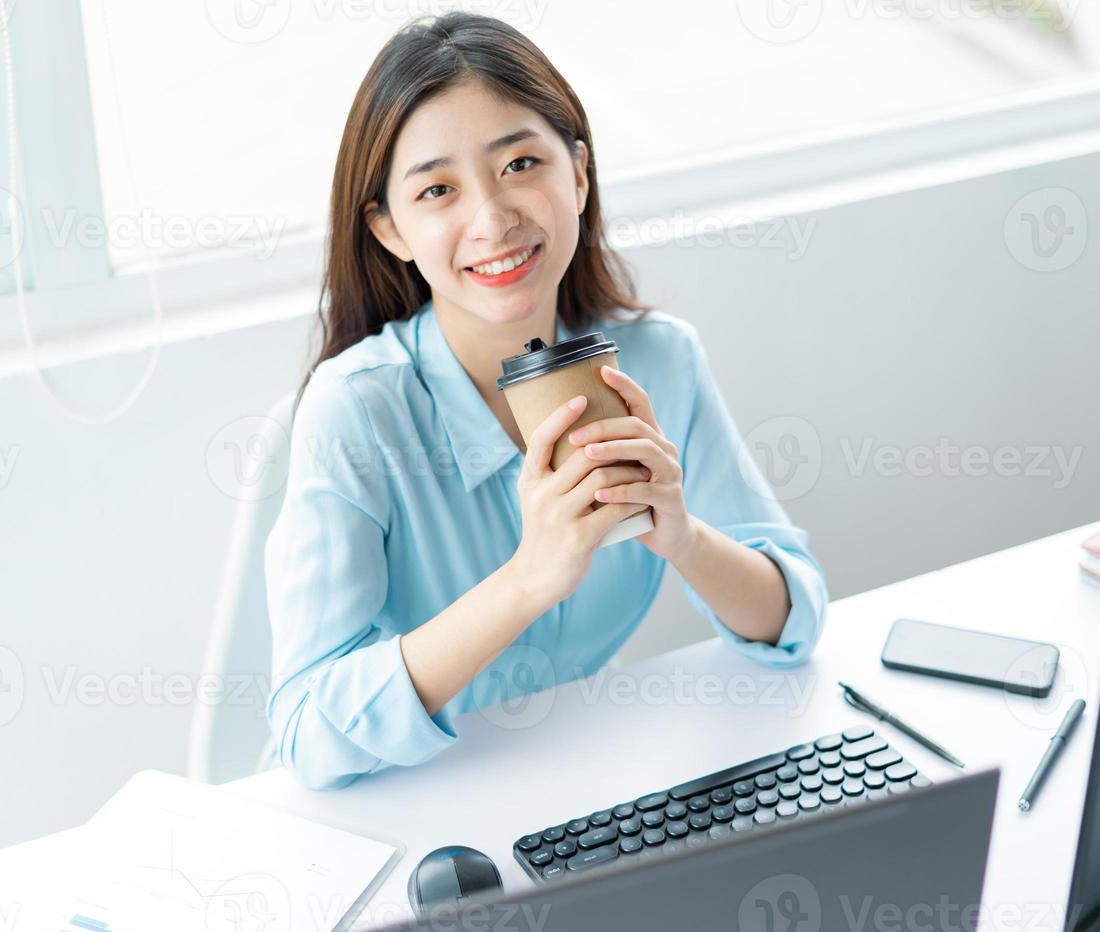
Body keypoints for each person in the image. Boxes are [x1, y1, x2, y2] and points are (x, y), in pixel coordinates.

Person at [262, 12, 828, 789]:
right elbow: (309, 735)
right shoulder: (355, 412)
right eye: (437, 189)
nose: (493, 220)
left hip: (581, 794)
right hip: (398, 815)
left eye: (521, 163)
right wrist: (530, 578)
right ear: (390, 230)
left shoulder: (661, 360)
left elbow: (794, 622)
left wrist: (682, 535)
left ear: (580, 173)